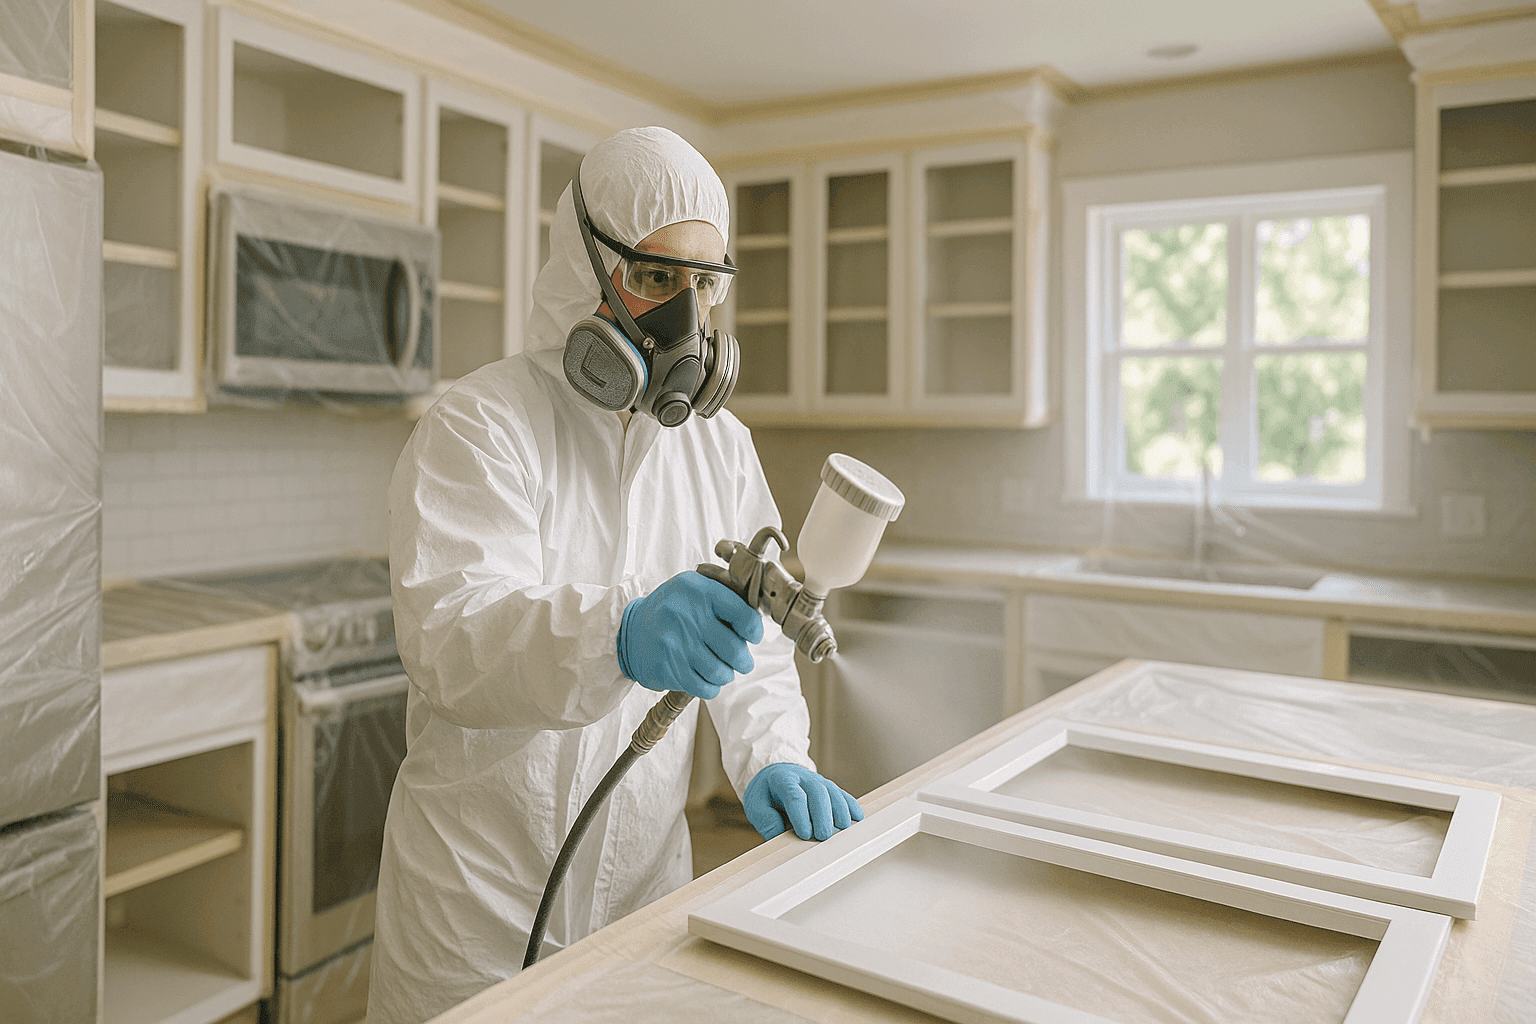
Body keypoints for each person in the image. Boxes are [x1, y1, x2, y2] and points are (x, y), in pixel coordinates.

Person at [368, 126, 862, 1024]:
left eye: (706, 283)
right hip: (474, 911)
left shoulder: (721, 449)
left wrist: (773, 755)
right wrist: (619, 636)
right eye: (657, 277)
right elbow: (449, 640)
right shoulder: (482, 426)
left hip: (643, 891)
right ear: (585, 265)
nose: (688, 313)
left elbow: (755, 639)